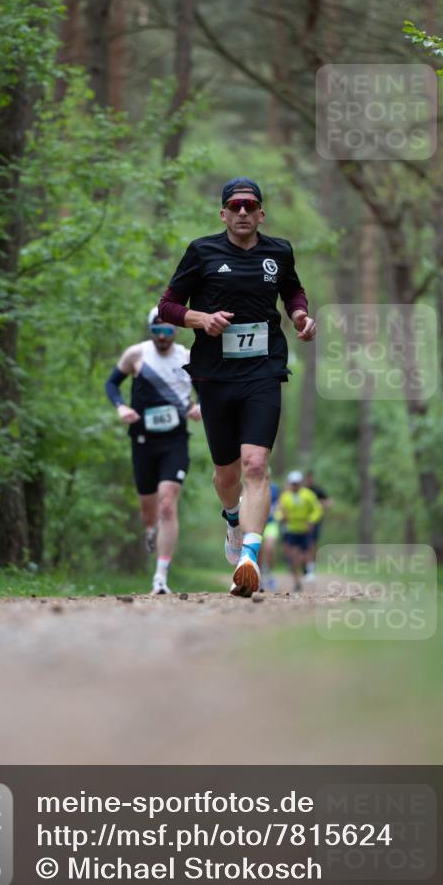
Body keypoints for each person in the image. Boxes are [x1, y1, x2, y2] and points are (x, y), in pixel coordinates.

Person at [158, 177, 316, 596]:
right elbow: (168, 306)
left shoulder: (278, 252)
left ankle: (249, 557)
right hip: (214, 375)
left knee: (255, 465)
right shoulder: (202, 251)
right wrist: (201, 319)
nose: (243, 212)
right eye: (235, 206)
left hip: (264, 371)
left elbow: (293, 291)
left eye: (250, 206)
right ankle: (232, 518)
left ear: (261, 213)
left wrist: (300, 316)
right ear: (223, 213)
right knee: (226, 475)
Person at [105, 307, 201, 595]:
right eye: (157, 329)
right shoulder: (136, 354)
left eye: (168, 329)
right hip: (143, 439)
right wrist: (121, 407)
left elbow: (208, 388)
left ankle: (160, 577)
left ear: (176, 330)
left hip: (175, 440)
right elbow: (112, 383)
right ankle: (150, 529)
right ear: (150, 330)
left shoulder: (187, 357)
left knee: (168, 503)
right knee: (149, 512)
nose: (162, 335)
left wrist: (200, 405)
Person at [276, 470, 323, 592]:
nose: (295, 485)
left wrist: (311, 521)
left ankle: (306, 570)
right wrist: (281, 517)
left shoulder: (308, 495)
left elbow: (317, 509)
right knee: (292, 557)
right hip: (291, 529)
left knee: (305, 554)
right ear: (290, 483)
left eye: (297, 483)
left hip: (305, 529)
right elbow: (278, 511)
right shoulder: (285, 497)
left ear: (300, 483)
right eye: (293, 483)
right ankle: (296, 581)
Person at [304, 469, 332, 577]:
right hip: (302, 521)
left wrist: (319, 504)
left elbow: (329, 502)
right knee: (305, 545)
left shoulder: (318, 490)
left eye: (311, 478)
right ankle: (305, 567)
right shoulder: (302, 490)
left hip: (315, 521)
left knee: (312, 543)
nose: (309, 480)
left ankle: (311, 567)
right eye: (307, 478)